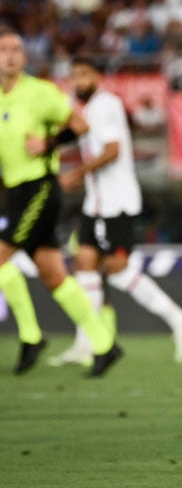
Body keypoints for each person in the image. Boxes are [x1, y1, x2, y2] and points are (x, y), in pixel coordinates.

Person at [46, 55, 182, 367]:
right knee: (85, 263)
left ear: (97, 76)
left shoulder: (105, 105)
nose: (78, 81)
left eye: (84, 74)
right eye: (74, 75)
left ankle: (180, 321)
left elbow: (113, 150)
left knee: (117, 270)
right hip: (96, 203)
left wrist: (77, 173)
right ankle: (87, 342)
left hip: (115, 203)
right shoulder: (89, 109)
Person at [0, 27, 121, 377]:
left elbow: (79, 126)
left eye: (16, 49)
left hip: (39, 188)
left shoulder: (40, 93)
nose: (10, 54)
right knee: (54, 275)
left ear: (24, 58)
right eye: (4, 49)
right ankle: (104, 344)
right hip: (15, 192)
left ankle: (31, 335)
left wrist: (49, 143)